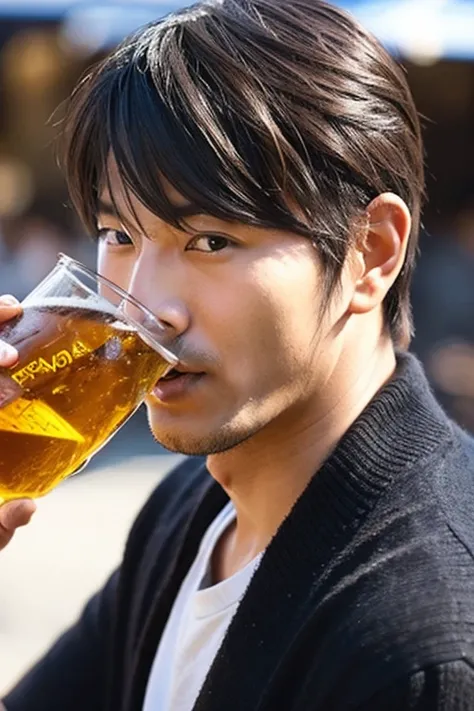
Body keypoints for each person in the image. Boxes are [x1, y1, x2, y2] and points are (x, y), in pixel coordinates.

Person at [1, 0, 474, 708]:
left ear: (371, 252)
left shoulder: (418, 648)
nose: (146, 305)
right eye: (118, 233)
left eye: (211, 241)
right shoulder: (194, 508)